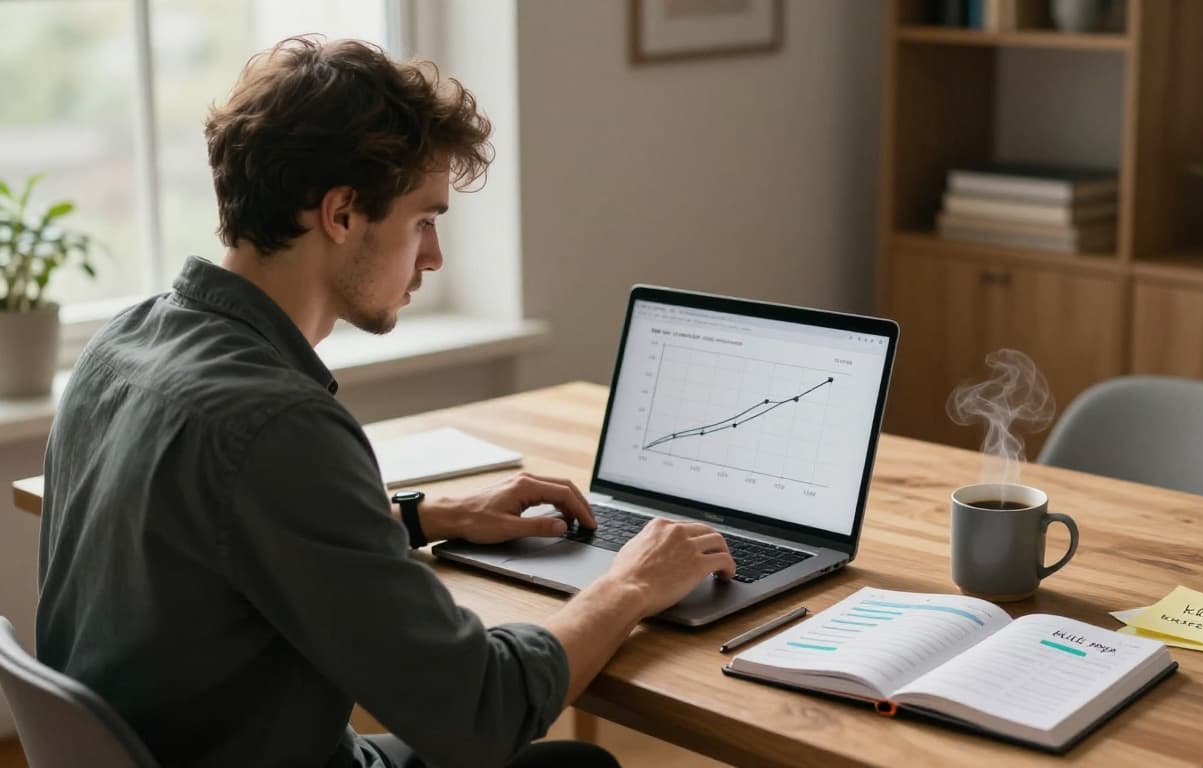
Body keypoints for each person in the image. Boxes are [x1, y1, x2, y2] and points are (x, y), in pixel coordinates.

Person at [36, 36, 736, 768]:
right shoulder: (278, 426)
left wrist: (427, 517)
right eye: (423, 221)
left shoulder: (119, 346)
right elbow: (480, 715)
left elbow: (227, 541)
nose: (432, 257)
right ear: (341, 214)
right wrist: (628, 584)